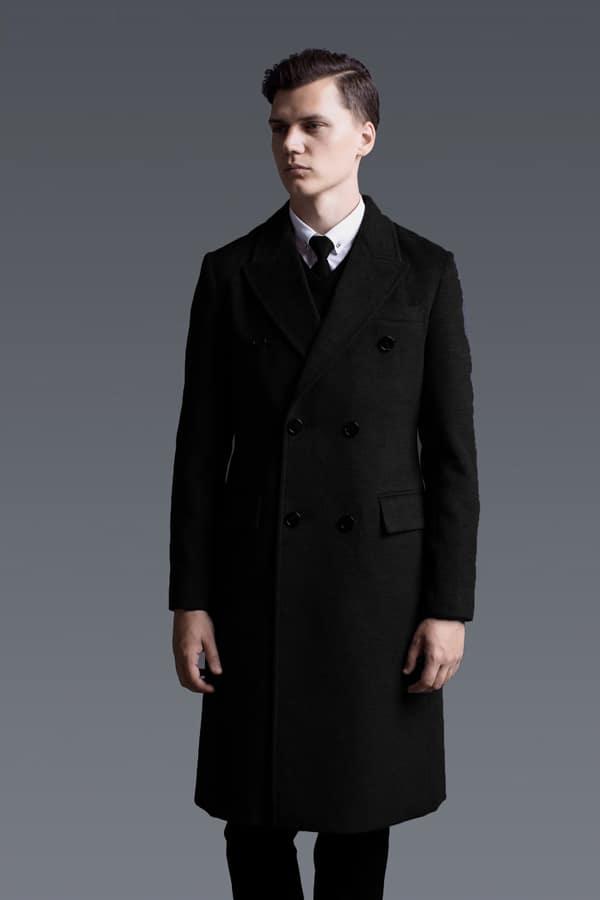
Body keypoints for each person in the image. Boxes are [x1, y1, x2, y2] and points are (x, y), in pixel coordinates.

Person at [168, 47, 480, 900]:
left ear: (365, 134)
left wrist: (448, 606)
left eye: (313, 125)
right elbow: (199, 452)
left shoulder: (423, 271)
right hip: (255, 582)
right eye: (278, 128)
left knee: (358, 818)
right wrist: (190, 600)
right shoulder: (230, 272)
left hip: (376, 589)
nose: (291, 145)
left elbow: (453, 458)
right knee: (252, 821)